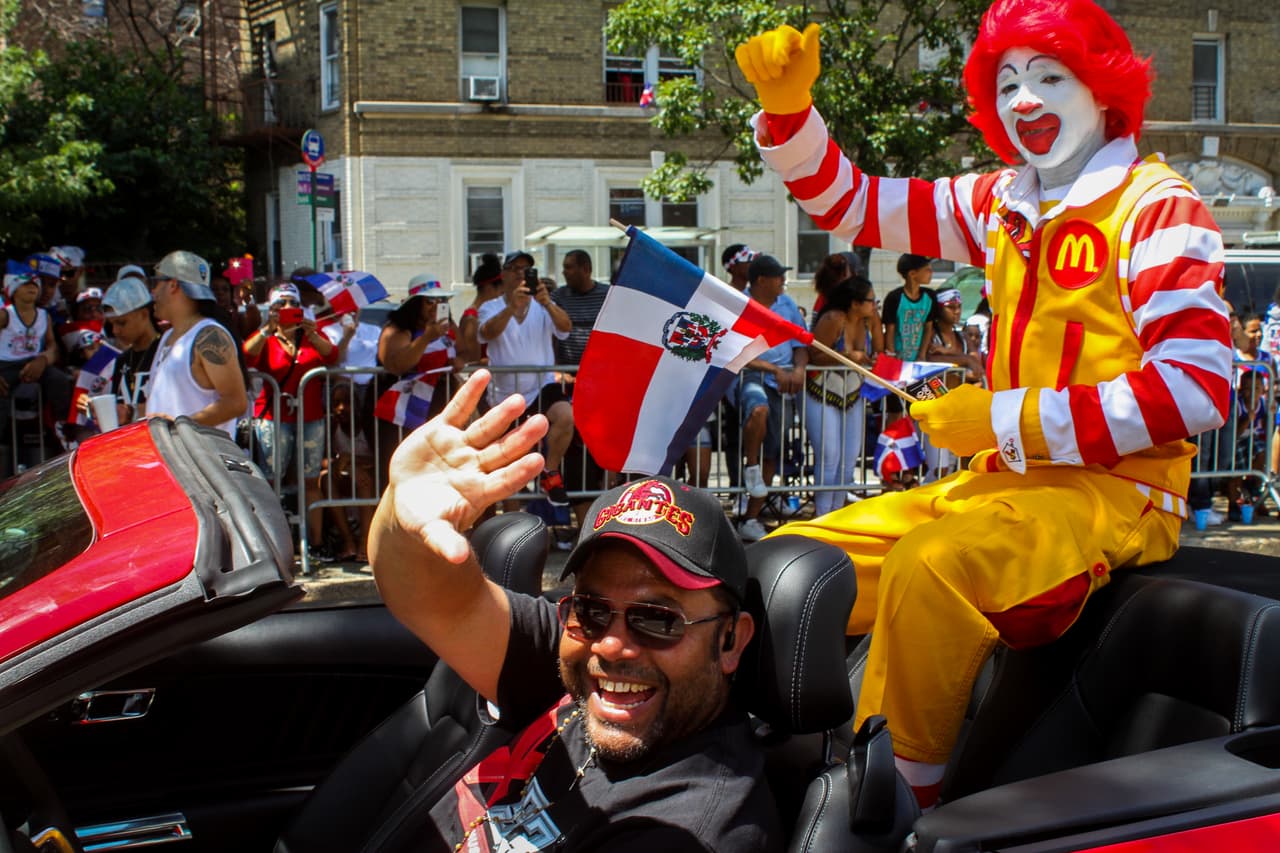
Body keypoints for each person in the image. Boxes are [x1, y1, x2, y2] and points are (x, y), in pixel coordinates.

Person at [737, 0, 1232, 808]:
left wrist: (1004, 420)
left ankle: (889, 811)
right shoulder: (1002, 201)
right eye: (1006, 83)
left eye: (1048, 76)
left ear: (1103, 88)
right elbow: (858, 206)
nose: (1024, 100)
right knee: (792, 563)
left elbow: (1198, 383)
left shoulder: (1157, 208)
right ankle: (751, 772)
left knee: (927, 570)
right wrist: (791, 114)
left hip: (1115, 494)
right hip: (997, 486)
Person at [369, 369, 779, 851]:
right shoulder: (576, 663)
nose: (611, 644)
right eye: (591, 609)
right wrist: (401, 515)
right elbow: (436, 600)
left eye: (658, 619)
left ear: (731, 640)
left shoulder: (695, 827)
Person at [477, 250, 575, 506]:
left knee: (566, 416)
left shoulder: (544, 305)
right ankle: (513, 527)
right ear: (506, 274)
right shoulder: (491, 306)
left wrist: (548, 304)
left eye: (527, 270)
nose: (522, 274)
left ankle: (549, 471)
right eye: (516, 269)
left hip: (541, 385)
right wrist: (512, 308)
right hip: (506, 394)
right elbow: (487, 333)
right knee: (511, 464)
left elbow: (566, 328)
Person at [244, 283, 341, 539]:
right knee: (271, 480)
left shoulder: (310, 334)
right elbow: (247, 355)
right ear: (272, 308)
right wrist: (267, 329)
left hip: (310, 418)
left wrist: (313, 335)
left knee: (310, 479)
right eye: (281, 304)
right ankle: (273, 540)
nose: (288, 308)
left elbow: (332, 355)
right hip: (274, 418)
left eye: (293, 304)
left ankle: (316, 543)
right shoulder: (266, 337)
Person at [737, 254, 808, 542]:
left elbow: (801, 343)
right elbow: (735, 351)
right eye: (778, 276)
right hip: (749, 376)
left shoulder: (787, 304)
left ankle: (751, 517)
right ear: (761, 281)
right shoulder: (738, 304)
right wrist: (775, 369)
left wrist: (800, 370)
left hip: (782, 382)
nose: (783, 281)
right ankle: (750, 467)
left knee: (774, 451)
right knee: (758, 409)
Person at [143, 250, 250, 438]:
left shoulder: (210, 335)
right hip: (170, 461)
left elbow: (236, 402)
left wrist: (179, 428)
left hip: (199, 463)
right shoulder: (168, 337)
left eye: (157, 282)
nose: (153, 291)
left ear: (173, 285)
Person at [373, 276, 461, 485]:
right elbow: (397, 364)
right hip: (402, 412)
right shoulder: (399, 329)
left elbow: (469, 351)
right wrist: (425, 339)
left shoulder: (446, 329)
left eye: (441, 301)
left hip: (437, 405)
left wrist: (459, 359)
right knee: (401, 468)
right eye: (429, 301)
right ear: (415, 304)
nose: (436, 307)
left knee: (436, 469)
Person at [806, 272, 879, 517]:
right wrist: (849, 357)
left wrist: (876, 320)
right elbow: (814, 356)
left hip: (853, 393)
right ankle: (822, 516)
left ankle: (836, 513)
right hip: (822, 392)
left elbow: (879, 349)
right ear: (855, 303)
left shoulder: (867, 321)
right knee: (829, 456)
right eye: (871, 300)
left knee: (849, 458)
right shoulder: (834, 318)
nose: (874, 304)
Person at [553, 249, 612, 520]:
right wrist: (556, 369)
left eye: (570, 267)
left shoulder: (607, 296)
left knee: (604, 444)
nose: (564, 272)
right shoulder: (559, 297)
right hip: (568, 382)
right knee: (577, 450)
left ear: (586, 268)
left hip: (602, 383)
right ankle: (582, 517)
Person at [0, 263, 75, 450]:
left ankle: (63, 425)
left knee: (59, 380)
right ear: (13, 291)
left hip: (35, 361)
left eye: (35, 285)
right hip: (6, 365)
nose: (32, 287)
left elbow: (52, 346)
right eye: (26, 285)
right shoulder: (5, 315)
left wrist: (43, 360)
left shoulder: (44, 316)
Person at [101, 276, 162, 427]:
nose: (115, 331)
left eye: (121, 323)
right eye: (111, 324)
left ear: (144, 314)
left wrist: (131, 412)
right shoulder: (121, 360)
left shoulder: (167, 351)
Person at [882, 254, 938, 360]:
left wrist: (922, 354)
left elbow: (928, 327)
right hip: (897, 356)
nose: (931, 273)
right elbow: (890, 329)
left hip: (917, 357)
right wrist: (891, 356)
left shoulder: (930, 297)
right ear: (912, 274)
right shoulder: (894, 297)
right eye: (927, 270)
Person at [457, 253, 504, 366]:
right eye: (501, 293)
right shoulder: (471, 319)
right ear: (488, 287)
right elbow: (473, 362)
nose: (501, 298)